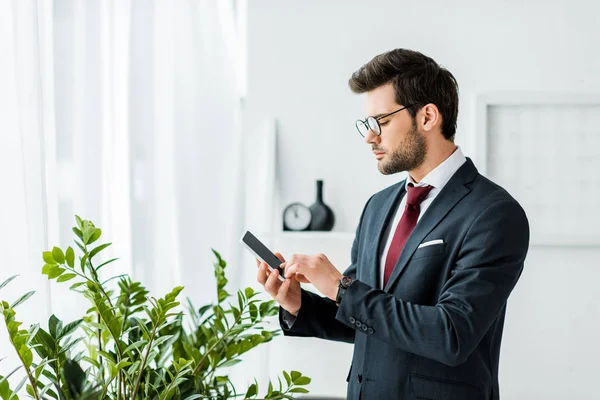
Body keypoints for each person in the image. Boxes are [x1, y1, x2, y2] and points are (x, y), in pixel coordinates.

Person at [256, 48, 529, 400]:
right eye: (367, 125)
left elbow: (451, 334)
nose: (370, 137)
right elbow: (365, 318)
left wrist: (341, 287)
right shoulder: (378, 207)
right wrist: (299, 304)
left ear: (428, 116)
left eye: (381, 122)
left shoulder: (493, 213)